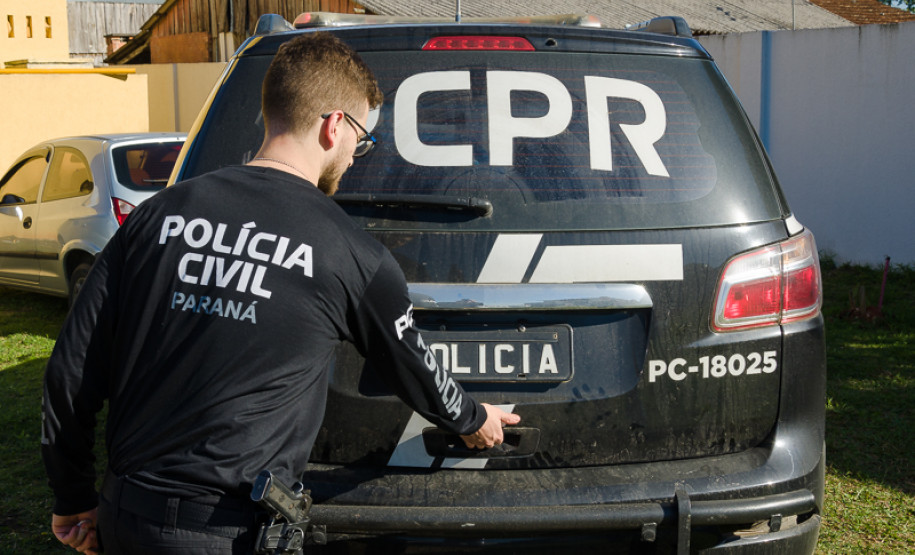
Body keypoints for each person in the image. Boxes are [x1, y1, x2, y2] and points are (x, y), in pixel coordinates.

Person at [42, 32, 520, 554]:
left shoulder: (158, 214)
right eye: (361, 139)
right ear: (335, 124)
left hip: (128, 517)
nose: (357, 156)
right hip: (229, 532)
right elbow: (414, 366)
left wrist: (73, 497)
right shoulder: (351, 253)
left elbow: (71, 371)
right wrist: (475, 419)